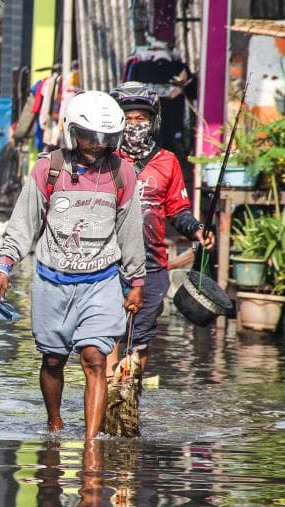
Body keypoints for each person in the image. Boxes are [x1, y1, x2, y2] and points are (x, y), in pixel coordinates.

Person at [0, 91, 146, 441]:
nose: (97, 144)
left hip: (100, 282)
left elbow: (130, 229)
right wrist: (4, 267)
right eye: (90, 136)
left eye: (105, 138)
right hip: (51, 282)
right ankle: (55, 423)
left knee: (94, 358)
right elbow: (23, 223)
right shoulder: (50, 168)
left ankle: (91, 446)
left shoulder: (123, 174)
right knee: (53, 361)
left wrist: (136, 280)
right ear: (73, 132)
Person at [109, 81, 215, 380]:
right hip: (106, 263)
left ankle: (129, 398)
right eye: (127, 119)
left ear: (152, 120)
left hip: (152, 264)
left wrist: (195, 229)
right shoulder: (105, 160)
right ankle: (102, 399)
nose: (134, 126)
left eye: (140, 119)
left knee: (139, 340)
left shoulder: (167, 162)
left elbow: (177, 210)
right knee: (108, 336)